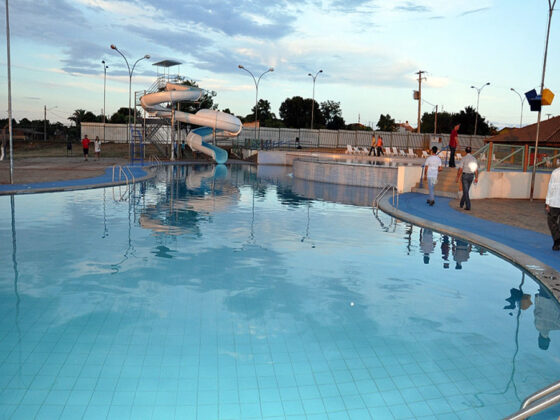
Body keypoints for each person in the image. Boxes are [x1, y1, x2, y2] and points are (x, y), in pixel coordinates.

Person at [455, 146, 479, 211]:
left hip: (465, 176)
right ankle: (461, 204)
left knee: (466, 191)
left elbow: (460, 169)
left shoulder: (463, 158)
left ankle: (468, 206)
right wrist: (476, 177)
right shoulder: (474, 159)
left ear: (465, 151)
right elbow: (476, 169)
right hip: (471, 176)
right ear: (471, 151)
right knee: (466, 191)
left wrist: (457, 177)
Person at [545, 166, 560, 250]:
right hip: (554, 202)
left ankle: (557, 240)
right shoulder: (555, 172)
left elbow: (550, 187)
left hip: (555, 202)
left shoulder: (555, 172)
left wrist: (548, 202)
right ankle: (557, 240)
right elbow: (550, 187)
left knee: (551, 221)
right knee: (551, 221)